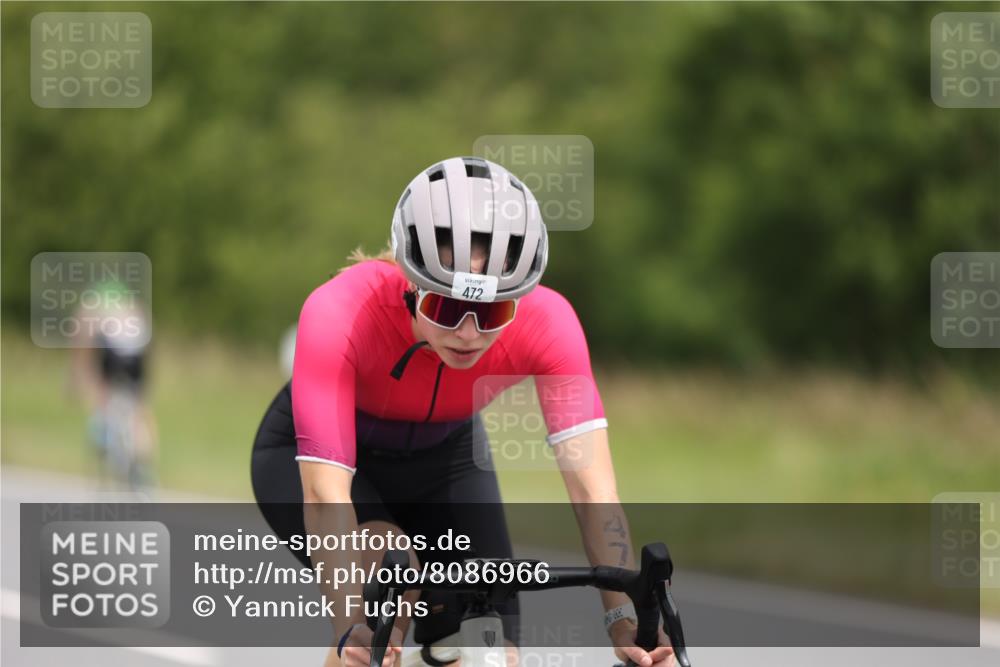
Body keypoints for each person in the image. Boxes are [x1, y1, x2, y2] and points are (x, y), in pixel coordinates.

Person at [251, 157, 674, 667]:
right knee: (387, 588)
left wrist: (624, 619)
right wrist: (350, 627)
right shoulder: (341, 310)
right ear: (412, 284)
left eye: (493, 311)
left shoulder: (550, 323)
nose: (469, 333)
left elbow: (593, 492)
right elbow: (326, 495)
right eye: (447, 308)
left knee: (492, 648)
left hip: (445, 457)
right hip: (333, 464)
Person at [70, 279, 157, 490]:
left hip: (112, 353)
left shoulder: (90, 305)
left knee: (102, 390)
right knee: (140, 410)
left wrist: (77, 379)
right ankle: (144, 467)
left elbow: (82, 344)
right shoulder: (131, 303)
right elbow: (147, 337)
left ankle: (103, 435)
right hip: (137, 354)